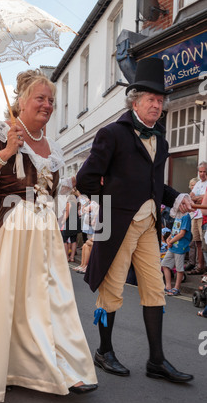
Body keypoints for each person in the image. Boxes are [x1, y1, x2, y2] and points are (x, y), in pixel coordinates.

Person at [0, 69, 98, 403]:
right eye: (40, 98)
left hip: (43, 233)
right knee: (9, 301)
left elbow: (50, 191)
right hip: (6, 230)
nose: (47, 105)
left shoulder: (53, 146)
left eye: (51, 100)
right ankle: (5, 367)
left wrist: (68, 190)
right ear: (21, 102)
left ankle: (68, 368)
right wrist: (6, 152)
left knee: (51, 301)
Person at [76, 57, 194, 383]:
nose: (157, 106)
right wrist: (109, 206)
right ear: (135, 100)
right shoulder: (112, 134)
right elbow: (86, 179)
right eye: (151, 100)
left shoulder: (162, 141)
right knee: (112, 290)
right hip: (118, 225)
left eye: (160, 101)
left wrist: (178, 197)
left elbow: (155, 185)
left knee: (154, 290)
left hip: (150, 226)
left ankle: (156, 360)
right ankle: (104, 351)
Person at [162, 213, 192, 296]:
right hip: (173, 246)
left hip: (180, 246)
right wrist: (168, 239)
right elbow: (174, 230)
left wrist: (170, 241)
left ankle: (176, 288)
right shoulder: (178, 215)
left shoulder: (186, 216)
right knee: (165, 264)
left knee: (179, 268)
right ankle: (168, 286)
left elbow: (182, 233)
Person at [188, 163, 207, 275]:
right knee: (197, 242)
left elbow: (205, 198)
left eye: (204, 171)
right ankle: (199, 266)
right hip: (195, 215)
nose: (202, 174)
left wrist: (199, 199)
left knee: (204, 243)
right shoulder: (198, 183)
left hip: (203, 216)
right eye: (200, 171)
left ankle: (202, 266)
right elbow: (190, 196)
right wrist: (199, 198)